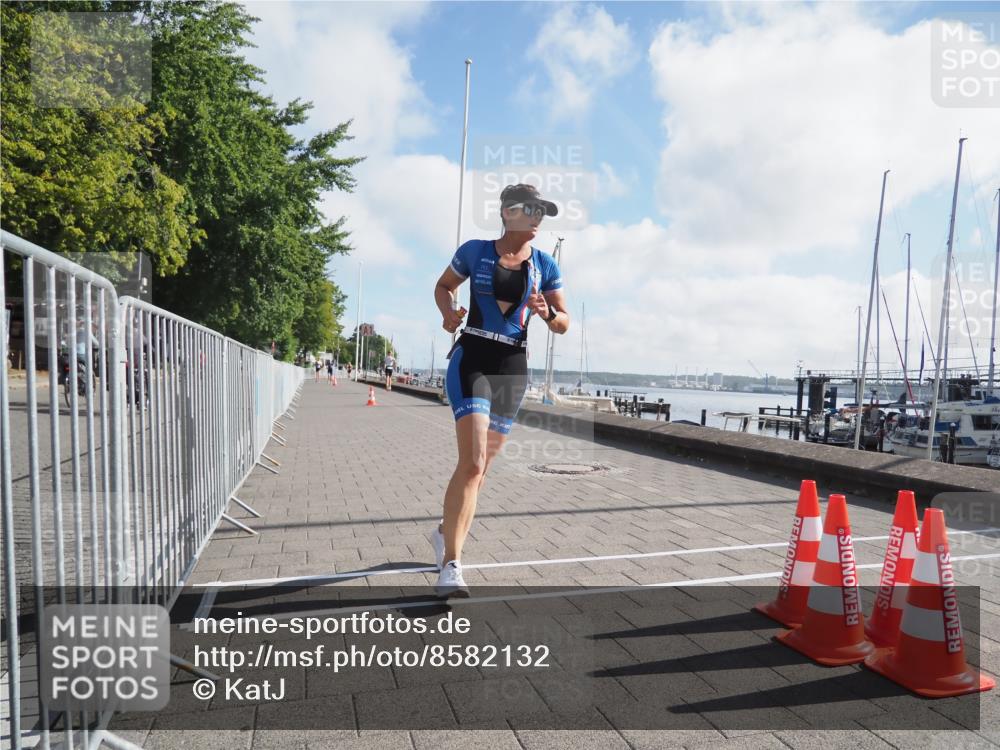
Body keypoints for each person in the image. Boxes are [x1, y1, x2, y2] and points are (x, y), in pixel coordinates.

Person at [431, 184, 569, 596]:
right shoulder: (475, 251)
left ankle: (443, 532)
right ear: (508, 212)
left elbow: (564, 322)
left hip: (512, 366)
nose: (538, 218)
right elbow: (444, 286)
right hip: (473, 356)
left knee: (481, 470)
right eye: (532, 209)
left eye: (542, 212)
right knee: (472, 464)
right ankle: (451, 565)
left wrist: (549, 314)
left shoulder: (544, 264)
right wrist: (448, 313)